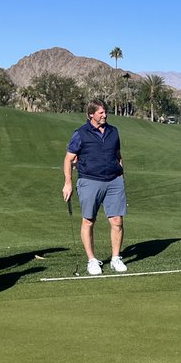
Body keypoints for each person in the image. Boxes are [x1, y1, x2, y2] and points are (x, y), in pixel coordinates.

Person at [62, 100, 127, 276]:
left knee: (117, 221)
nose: (105, 115)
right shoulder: (81, 134)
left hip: (114, 181)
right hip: (90, 181)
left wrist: (121, 174)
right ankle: (92, 260)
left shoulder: (113, 131)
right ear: (91, 115)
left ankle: (115, 258)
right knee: (89, 221)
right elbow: (68, 159)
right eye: (101, 113)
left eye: (105, 112)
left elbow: (117, 155)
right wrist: (68, 183)